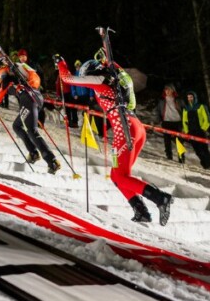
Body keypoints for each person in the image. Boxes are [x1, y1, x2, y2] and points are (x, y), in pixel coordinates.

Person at [56, 55, 172, 224]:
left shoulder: (100, 78)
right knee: (117, 175)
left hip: (124, 130)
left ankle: (160, 199)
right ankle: (141, 211)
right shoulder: (113, 78)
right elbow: (118, 71)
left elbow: (67, 78)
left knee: (120, 176)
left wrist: (60, 63)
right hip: (133, 126)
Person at [0, 57, 60, 174]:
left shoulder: (5, 70)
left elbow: (3, 90)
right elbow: (34, 77)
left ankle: (51, 161)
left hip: (28, 98)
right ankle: (33, 153)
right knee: (17, 126)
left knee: (32, 131)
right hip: (34, 96)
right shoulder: (16, 68)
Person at [181, 90, 210, 169]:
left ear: (194, 97)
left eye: (191, 97)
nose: (189, 99)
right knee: (197, 150)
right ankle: (204, 165)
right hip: (191, 132)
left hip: (200, 131)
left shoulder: (201, 106)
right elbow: (184, 121)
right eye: (188, 97)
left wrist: (203, 128)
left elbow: (207, 119)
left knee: (204, 149)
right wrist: (187, 131)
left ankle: (209, 165)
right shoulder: (186, 108)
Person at [157, 84, 183, 161]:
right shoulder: (161, 100)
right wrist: (158, 121)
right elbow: (158, 111)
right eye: (166, 90)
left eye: (169, 89)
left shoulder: (178, 100)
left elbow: (184, 110)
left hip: (177, 122)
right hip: (166, 122)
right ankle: (169, 157)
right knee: (167, 141)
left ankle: (181, 158)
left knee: (179, 141)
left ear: (173, 90)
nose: (167, 91)